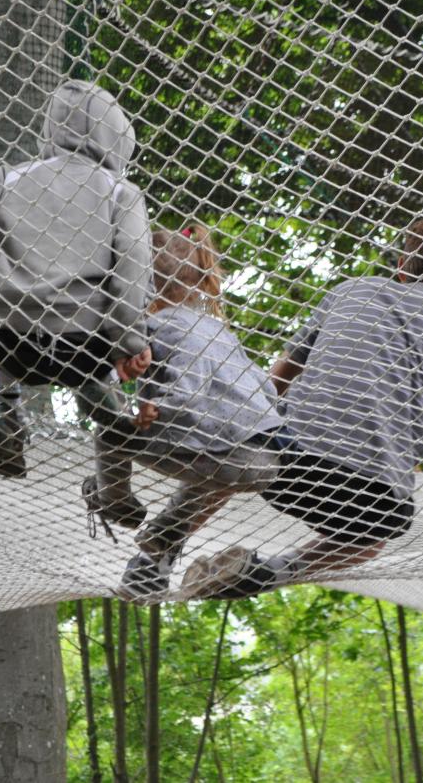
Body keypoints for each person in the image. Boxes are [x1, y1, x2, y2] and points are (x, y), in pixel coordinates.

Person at [181, 214, 423, 600]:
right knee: (370, 541)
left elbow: (276, 383)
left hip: (287, 461)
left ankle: (161, 549)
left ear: (401, 267)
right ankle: (272, 571)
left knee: (237, 454)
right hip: (372, 496)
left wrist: (223, 432)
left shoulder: (351, 290)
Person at [0, 80, 152, 514]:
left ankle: (6, 409)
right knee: (97, 356)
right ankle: (110, 422)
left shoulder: (11, 179)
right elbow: (131, 270)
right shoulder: (120, 193)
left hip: (7, 338)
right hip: (84, 344)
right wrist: (129, 342)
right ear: (117, 137)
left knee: (5, 304)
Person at [85, 224, 282, 596]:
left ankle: (116, 501)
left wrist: (157, 407)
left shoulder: (155, 327)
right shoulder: (217, 329)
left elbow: (188, 387)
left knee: (109, 431)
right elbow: (265, 388)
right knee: (211, 469)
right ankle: (154, 557)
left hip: (222, 450)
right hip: (266, 459)